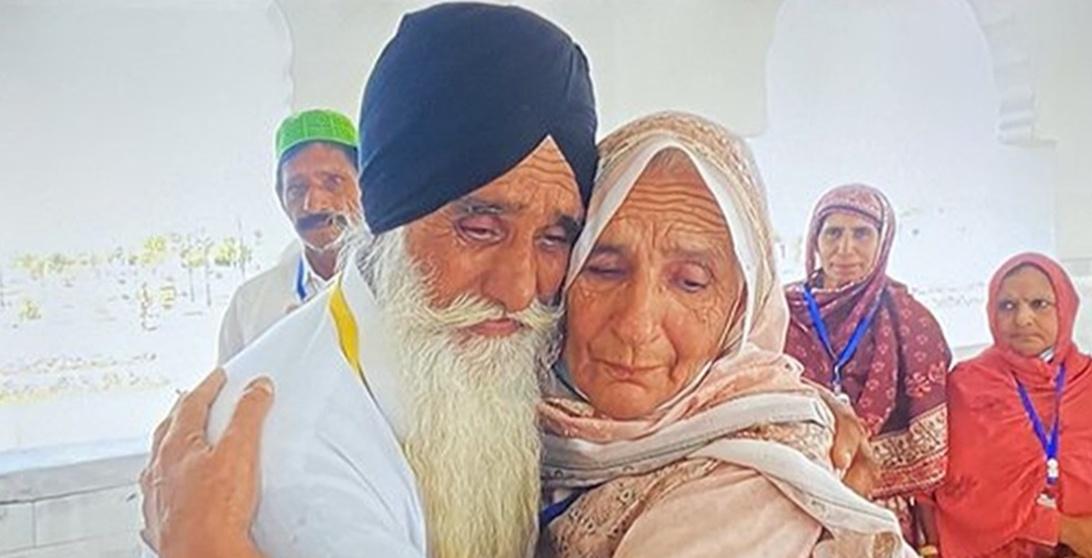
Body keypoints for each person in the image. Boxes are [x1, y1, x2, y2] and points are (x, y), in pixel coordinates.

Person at [141, 3, 599, 557]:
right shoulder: (302, 461)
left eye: (554, 238)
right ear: (387, 215)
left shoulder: (480, 364)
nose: (521, 288)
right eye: (479, 228)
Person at [537, 112, 912, 558]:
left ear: (740, 311)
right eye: (604, 270)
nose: (636, 324)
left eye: (691, 282)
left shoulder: (755, 485)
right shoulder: (520, 410)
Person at [784, 184, 951, 549]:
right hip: (791, 499)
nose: (845, 249)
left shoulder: (910, 321)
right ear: (815, 239)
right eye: (833, 233)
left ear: (883, 241)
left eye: (861, 233)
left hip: (880, 510)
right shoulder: (781, 314)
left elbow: (928, 445)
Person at [935, 253, 1092, 558]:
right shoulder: (967, 386)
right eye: (1007, 306)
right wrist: (1062, 528)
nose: (1023, 319)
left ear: (1066, 308)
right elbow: (959, 493)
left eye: (1039, 304)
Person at [217, 109, 361, 362]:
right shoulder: (250, 306)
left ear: (364, 184)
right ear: (281, 198)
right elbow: (229, 397)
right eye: (296, 189)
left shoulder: (405, 285)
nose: (314, 204)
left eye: (332, 182)